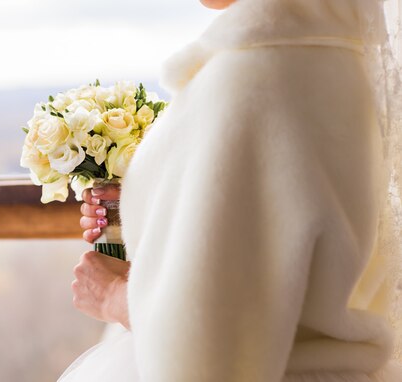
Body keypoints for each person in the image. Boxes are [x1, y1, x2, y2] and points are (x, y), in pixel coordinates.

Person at [59, 0, 402, 381]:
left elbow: (205, 354)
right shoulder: (356, 61)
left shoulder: (255, 73)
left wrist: (112, 297)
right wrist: (159, 225)